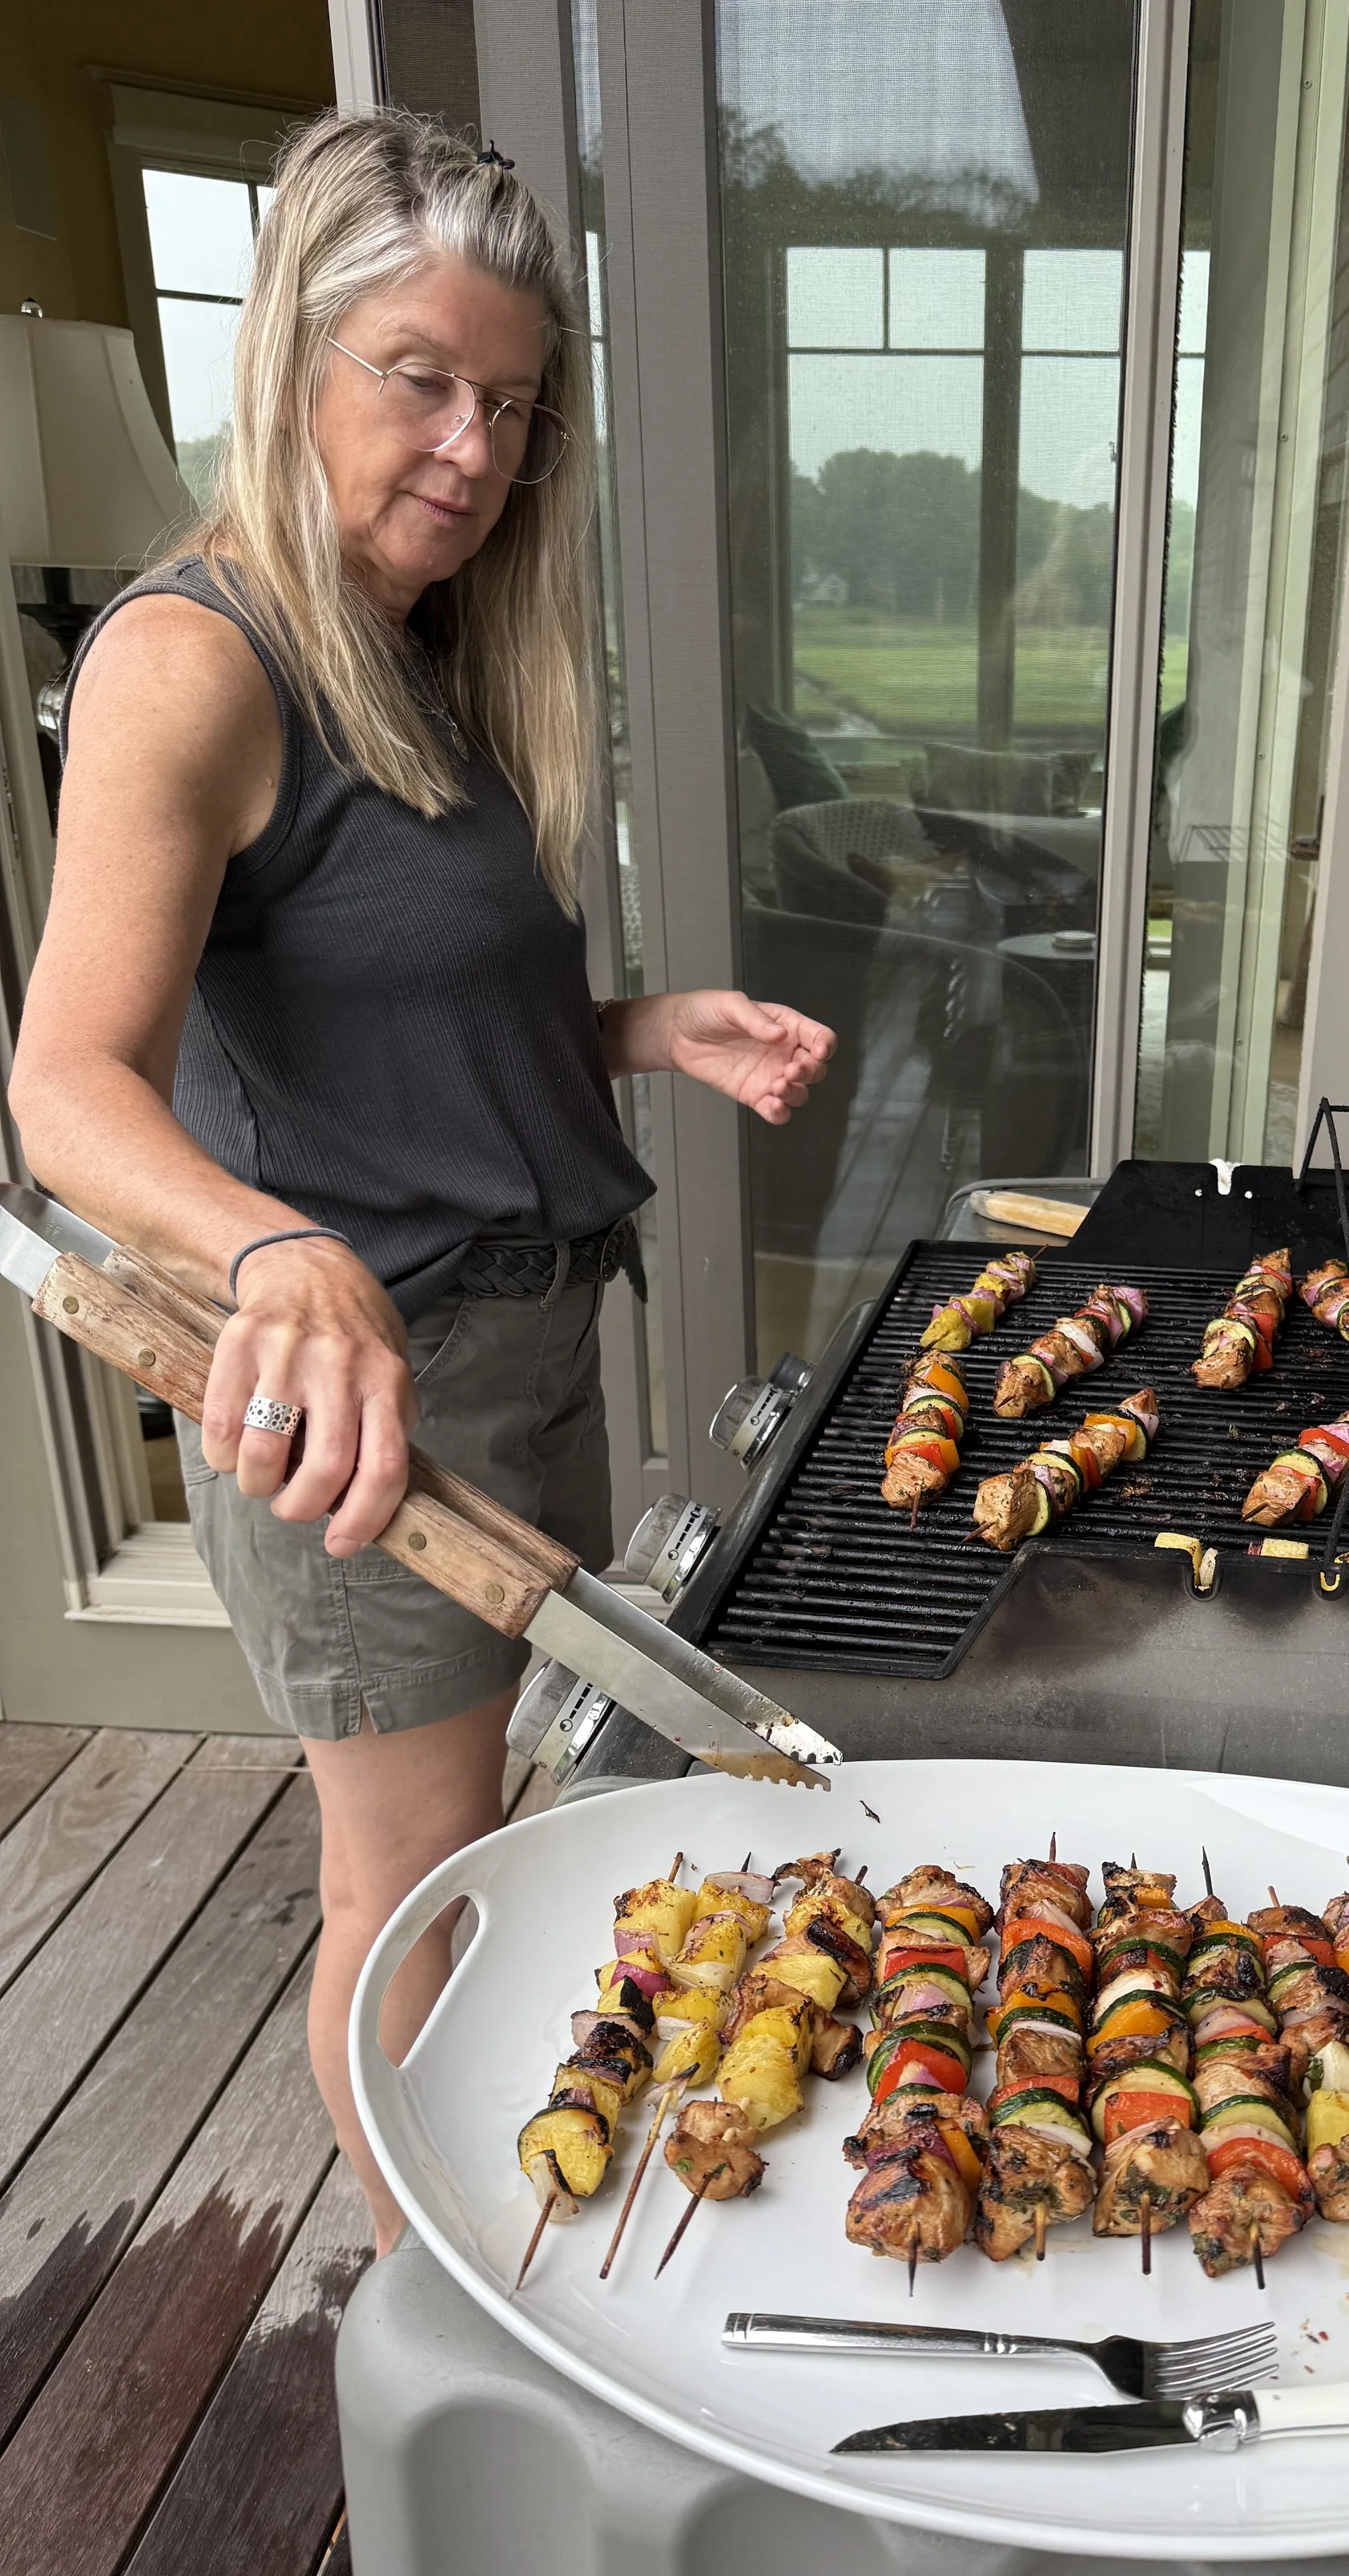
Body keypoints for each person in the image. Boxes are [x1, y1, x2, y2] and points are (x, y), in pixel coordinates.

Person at [8, 111, 833, 2254]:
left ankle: (491, 2261)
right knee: (411, 1897)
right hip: (358, 1405)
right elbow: (65, 1085)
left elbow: (403, 1029)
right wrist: (276, 1248)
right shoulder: (191, 660)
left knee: (507, 1857)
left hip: (524, 1339)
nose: (472, 446)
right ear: (297, 357)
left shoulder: (438, 645)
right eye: (421, 378)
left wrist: (642, 1031)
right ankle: (457, 2329)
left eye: (512, 403)